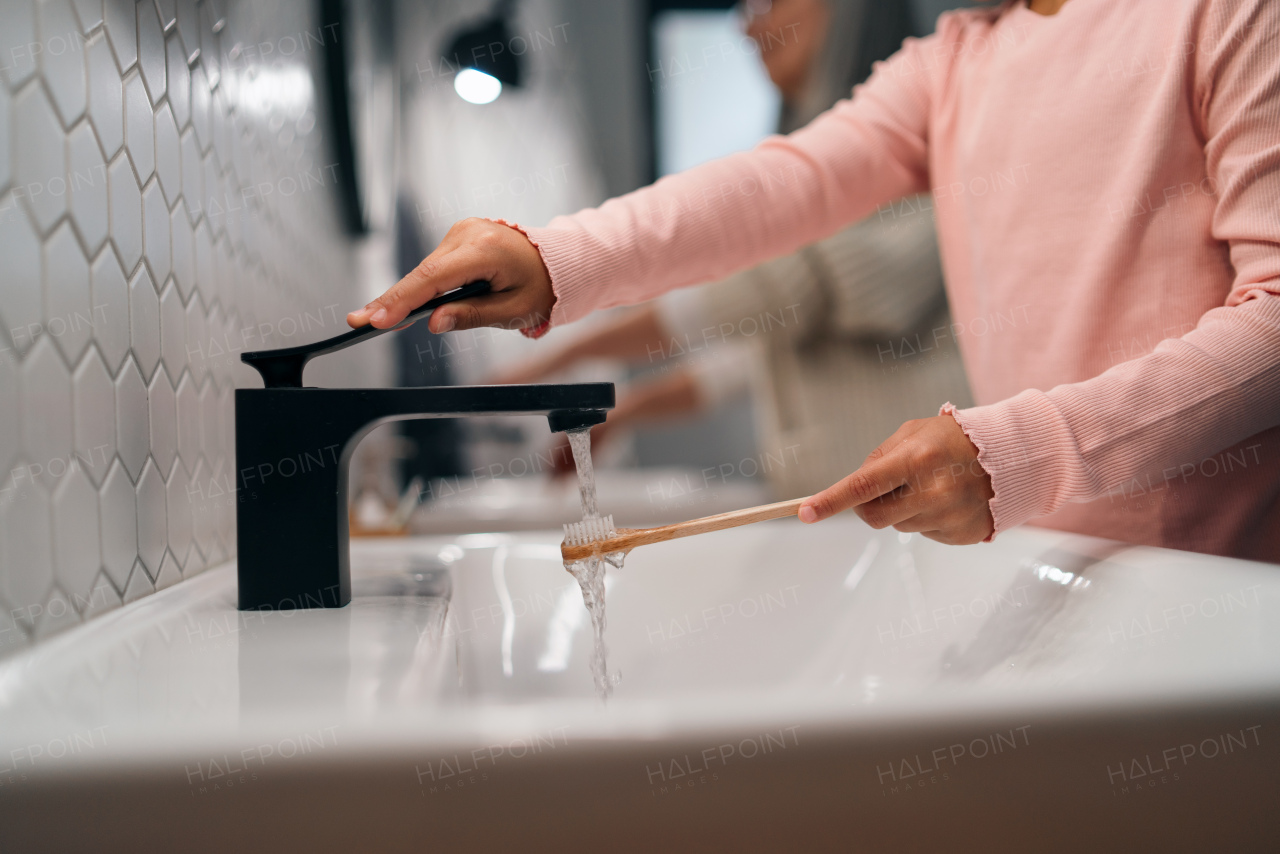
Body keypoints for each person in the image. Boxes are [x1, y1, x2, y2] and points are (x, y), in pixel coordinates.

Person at [349, 0, 1280, 561]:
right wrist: (560, 257)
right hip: (1035, 564)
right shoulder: (955, 60)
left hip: (1217, 580)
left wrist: (1030, 449)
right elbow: (784, 185)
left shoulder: (1229, 15)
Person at [491, 0, 973, 500]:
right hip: (851, 509)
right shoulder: (806, 149)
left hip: (921, 514)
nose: (747, 26)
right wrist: (624, 409)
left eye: (768, 3)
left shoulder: (928, 142)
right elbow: (755, 350)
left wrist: (567, 337)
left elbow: (794, 287)